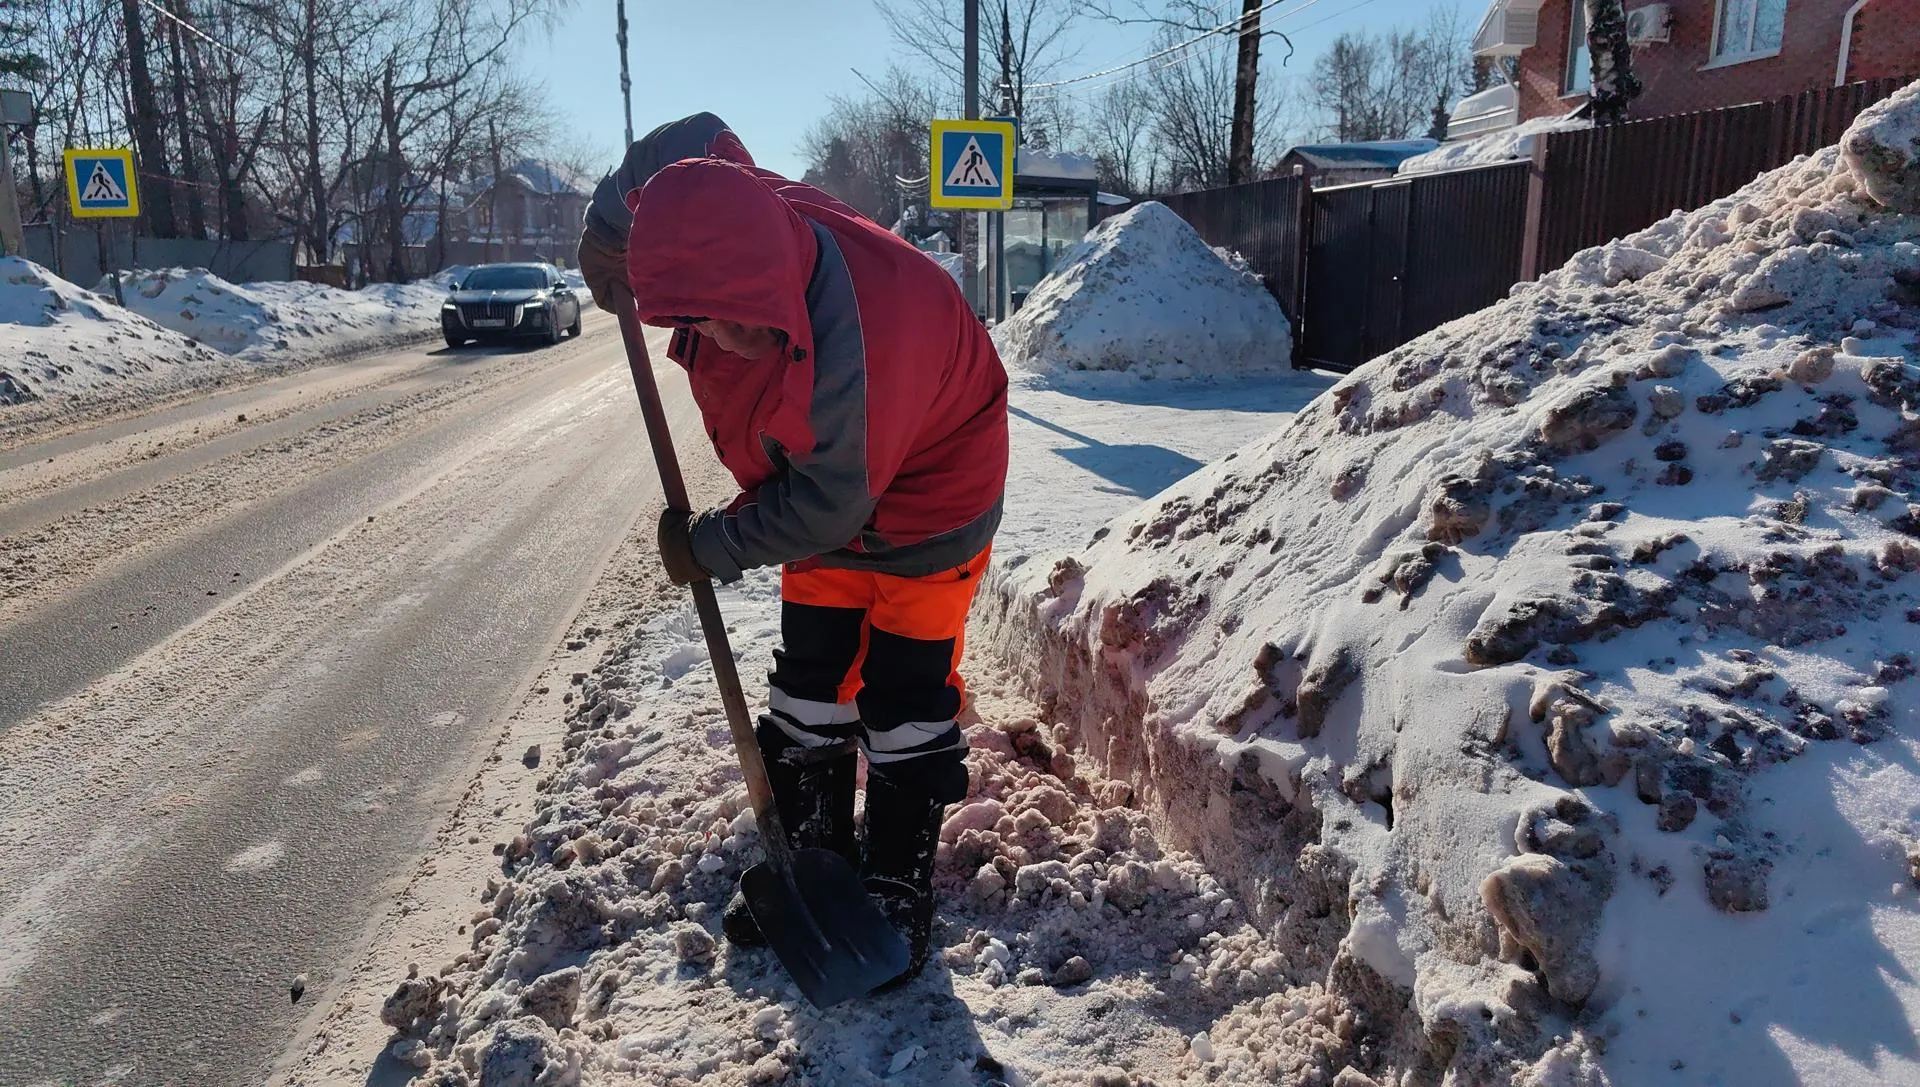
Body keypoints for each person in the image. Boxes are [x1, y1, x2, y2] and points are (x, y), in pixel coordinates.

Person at [588, 132, 1009, 987]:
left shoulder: (863, 335)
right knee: (809, 678)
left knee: (904, 694)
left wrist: (709, 546)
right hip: (823, 481)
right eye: (695, 320)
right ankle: (817, 857)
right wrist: (607, 221)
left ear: (766, 286)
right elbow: (692, 139)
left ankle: (893, 883)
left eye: (721, 317)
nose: (715, 336)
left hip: (931, 493)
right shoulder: (744, 207)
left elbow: (827, 507)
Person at [576, 112, 754, 314]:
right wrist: (606, 231)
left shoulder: (775, 237)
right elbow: (700, 136)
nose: (719, 331)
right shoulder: (753, 215)